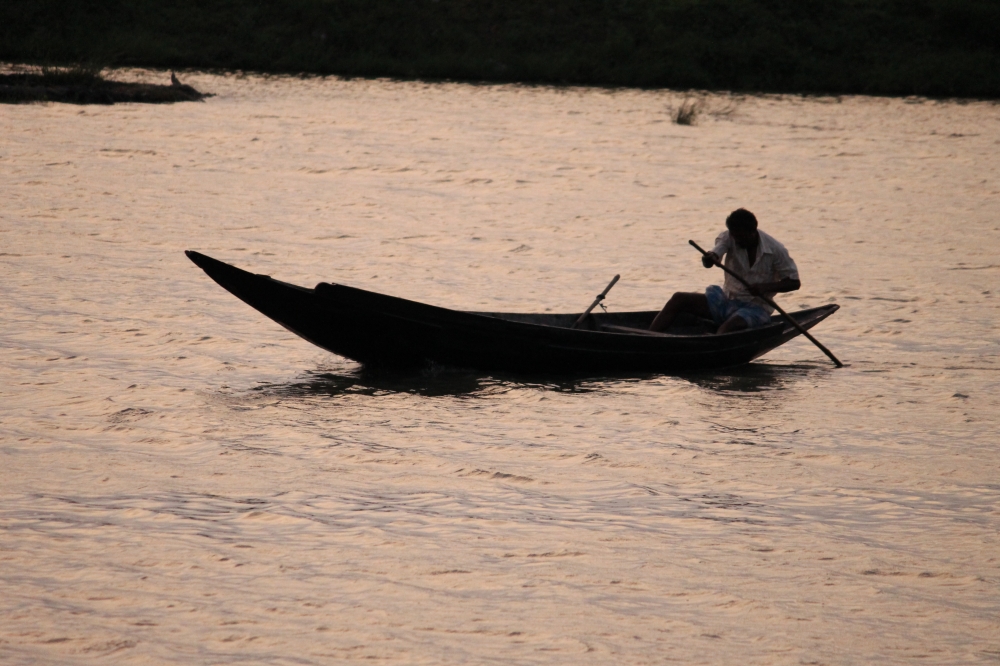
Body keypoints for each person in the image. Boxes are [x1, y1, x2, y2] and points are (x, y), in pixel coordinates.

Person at [649, 208, 800, 334]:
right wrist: (710, 258)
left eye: (740, 237)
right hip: (725, 301)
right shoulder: (729, 236)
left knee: (726, 329)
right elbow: (715, 254)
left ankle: (714, 343)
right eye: (734, 236)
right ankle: (650, 338)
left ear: (752, 232)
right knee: (678, 298)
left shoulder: (776, 250)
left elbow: (794, 283)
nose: (736, 241)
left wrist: (764, 288)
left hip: (756, 309)